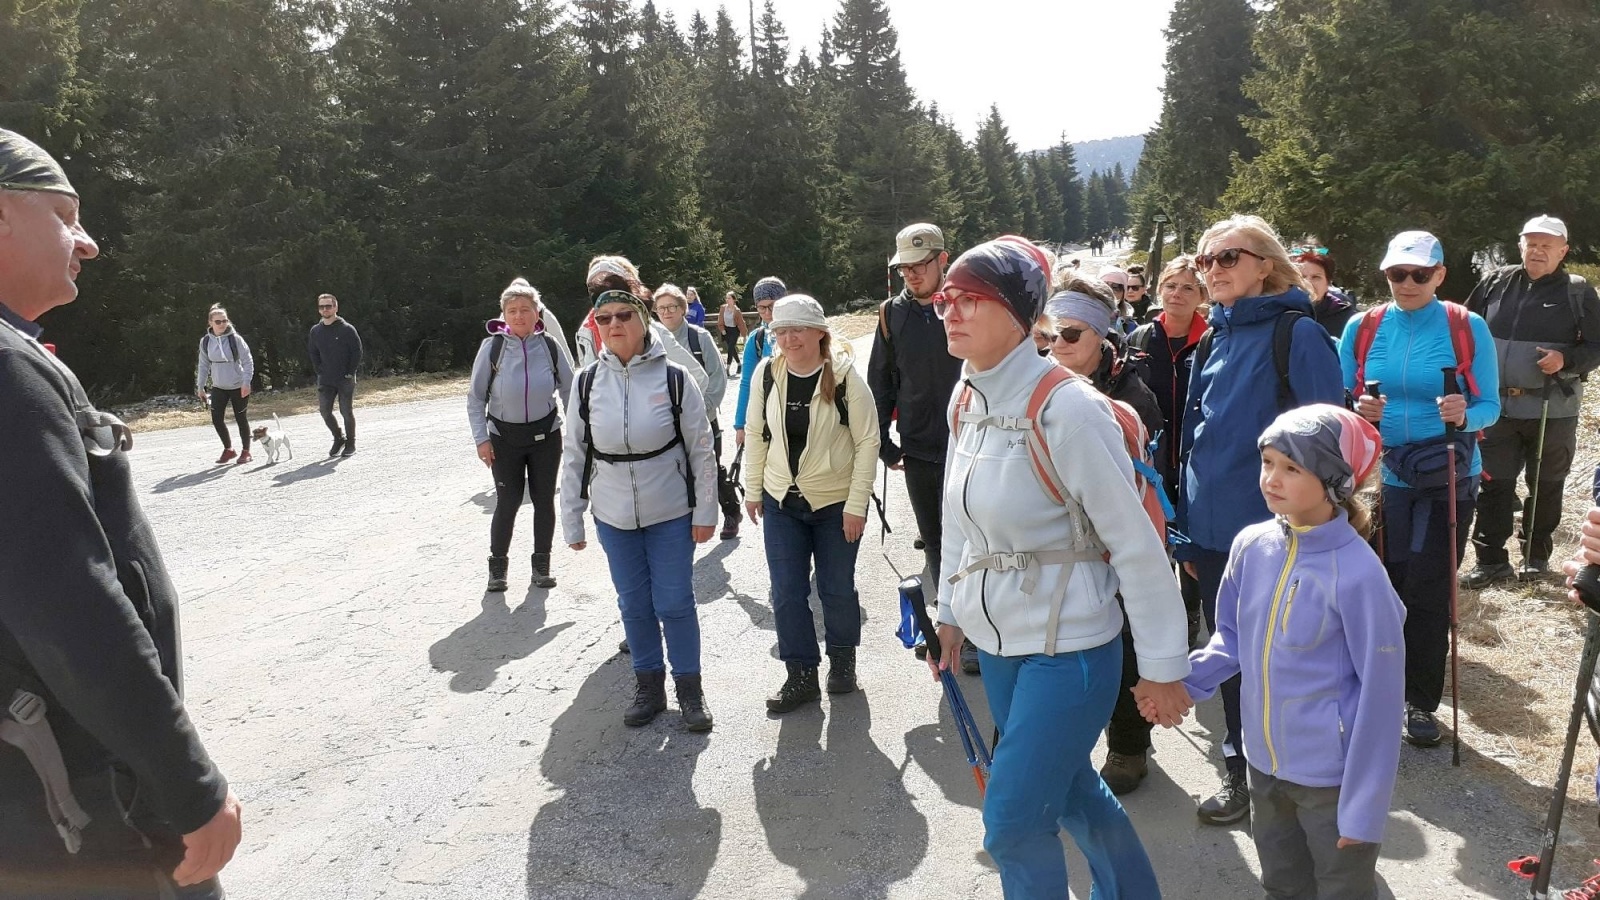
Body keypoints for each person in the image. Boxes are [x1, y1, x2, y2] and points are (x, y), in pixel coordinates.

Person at [0, 127, 242, 898]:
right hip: (83, 808)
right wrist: (187, 783)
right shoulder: (7, 371)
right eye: (65, 214)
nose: (89, 241)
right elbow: (69, 601)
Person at [929, 236, 1191, 898]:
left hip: (1070, 653)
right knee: (1072, 790)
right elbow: (959, 516)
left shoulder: (1069, 409)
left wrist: (1163, 668)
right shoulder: (966, 398)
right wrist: (951, 613)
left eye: (970, 299)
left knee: (1012, 822)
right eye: (944, 300)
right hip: (1000, 647)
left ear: (1021, 314)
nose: (951, 311)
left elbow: (1136, 546)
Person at [1174, 404, 1404, 900]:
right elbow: (1230, 639)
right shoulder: (1250, 545)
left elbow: (1382, 700)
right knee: (1281, 883)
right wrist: (1184, 684)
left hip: (1331, 780)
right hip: (1263, 766)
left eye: (1292, 468)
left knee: (1343, 888)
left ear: (1335, 482)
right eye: (1268, 462)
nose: (1271, 479)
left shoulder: (1360, 575)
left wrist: (1364, 808)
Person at [1179, 214, 1346, 825]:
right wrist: (1184, 529)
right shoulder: (1211, 338)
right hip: (1212, 534)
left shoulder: (1296, 335)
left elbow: (1329, 438)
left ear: (1265, 265)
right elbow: (1192, 442)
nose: (1212, 270)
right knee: (1229, 656)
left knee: (1285, 658)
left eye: (1227, 258)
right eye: (1204, 261)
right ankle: (1242, 772)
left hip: (1279, 537)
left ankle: (1297, 781)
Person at [1342, 230, 1500, 748]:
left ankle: (1420, 702)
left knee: (1429, 587)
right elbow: (1340, 398)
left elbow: (1491, 406)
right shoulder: (1362, 328)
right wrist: (1357, 410)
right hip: (1385, 475)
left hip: (1449, 476)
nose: (1406, 283)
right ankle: (1379, 684)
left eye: (1419, 274)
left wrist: (1465, 411)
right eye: (1396, 274)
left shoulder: (1465, 326)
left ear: (1440, 274)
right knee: (1385, 582)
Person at [560, 257, 718, 731]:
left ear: (642, 318)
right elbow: (574, 452)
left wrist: (706, 510)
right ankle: (648, 686)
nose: (613, 325)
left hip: (670, 508)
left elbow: (701, 450)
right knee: (634, 604)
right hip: (612, 513)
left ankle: (690, 690)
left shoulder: (674, 376)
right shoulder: (587, 382)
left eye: (623, 316)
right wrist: (572, 518)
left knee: (674, 602)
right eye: (603, 318)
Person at [1041, 276, 1169, 798]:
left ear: (1101, 335)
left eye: (1070, 335)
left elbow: (1143, 487)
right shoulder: (1032, 386)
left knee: (1126, 640)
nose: (1056, 346)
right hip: (1052, 546)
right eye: (1045, 334)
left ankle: (1129, 744)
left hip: (1115, 541)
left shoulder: (1133, 395)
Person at [745, 295, 880, 712]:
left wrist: (857, 505)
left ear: (820, 332)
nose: (788, 339)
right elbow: (755, 432)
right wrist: (753, 489)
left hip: (836, 504)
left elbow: (867, 441)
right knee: (786, 592)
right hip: (782, 500)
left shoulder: (844, 379)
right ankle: (800, 674)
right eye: (780, 331)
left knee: (836, 588)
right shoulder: (768, 373)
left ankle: (842, 661)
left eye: (797, 329)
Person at [1463, 215, 1600, 586]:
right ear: (1520, 245)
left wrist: (1565, 360)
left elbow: (1595, 347)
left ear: (1563, 251)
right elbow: (1464, 328)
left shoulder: (1577, 290)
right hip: (1496, 407)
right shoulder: (1494, 282)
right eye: (1531, 243)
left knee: (1546, 483)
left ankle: (1534, 557)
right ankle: (1490, 561)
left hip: (1552, 407)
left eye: (1547, 245)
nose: (1538, 250)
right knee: (1493, 482)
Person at [867, 223, 968, 665]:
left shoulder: (966, 306)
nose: (911, 274)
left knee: (976, 542)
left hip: (972, 446)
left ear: (943, 259)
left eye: (920, 265)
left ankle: (980, 638)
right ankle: (950, 629)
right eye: (904, 267)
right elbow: (881, 382)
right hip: (920, 450)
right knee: (935, 541)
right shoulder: (892, 314)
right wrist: (885, 446)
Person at [468, 278, 574, 593]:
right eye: (512, 311)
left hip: (546, 435)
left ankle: (541, 567)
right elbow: (475, 399)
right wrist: (481, 439)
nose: (518, 316)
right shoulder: (493, 348)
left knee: (544, 501)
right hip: (503, 437)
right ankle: (497, 569)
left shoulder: (551, 347)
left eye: (525, 310)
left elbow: (569, 391)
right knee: (508, 501)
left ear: (536, 313)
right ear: (503, 315)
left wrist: (578, 434)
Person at [654, 283, 743, 540]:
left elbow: (717, 377)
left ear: (683, 308)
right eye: (661, 308)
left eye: (672, 307)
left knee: (710, 468)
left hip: (704, 418)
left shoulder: (698, 337)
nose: (667, 312)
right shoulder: (652, 340)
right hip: (669, 422)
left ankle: (730, 511)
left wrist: (702, 408)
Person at [195, 303, 255, 465]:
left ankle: (246, 451)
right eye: (218, 322)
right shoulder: (206, 342)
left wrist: (246, 382)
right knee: (216, 418)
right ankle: (228, 449)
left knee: (240, 418)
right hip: (219, 386)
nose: (222, 324)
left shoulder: (236, 339)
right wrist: (200, 386)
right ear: (210, 323)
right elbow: (203, 364)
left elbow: (248, 361)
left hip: (238, 384)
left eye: (225, 321)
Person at [308, 292, 362, 457]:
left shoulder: (347, 329)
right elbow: (313, 353)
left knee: (346, 411)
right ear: (319, 310)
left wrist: (350, 373)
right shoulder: (315, 331)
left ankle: (351, 444)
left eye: (328, 306)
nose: (325, 309)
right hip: (326, 379)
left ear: (335, 307)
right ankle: (338, 438)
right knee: (325, 411)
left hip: (345, 379)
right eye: (322, 306)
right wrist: (319, 371)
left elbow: (357, 352)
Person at [733, 276, 786, 446]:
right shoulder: (757, 339)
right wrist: (740, 425)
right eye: (762, 308)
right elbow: (747, 382)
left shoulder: (801, 331)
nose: (768, 313)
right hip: (769, 418)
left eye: (773, 306)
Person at [1292, 247, 1358, 340]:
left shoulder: (1346, 318)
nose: (1308, 283)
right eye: (1302, 277)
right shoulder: (1281, 313)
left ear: (1328, 283)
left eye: (1316, 277)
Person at [718, 291, 747, 373]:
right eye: (726, 298)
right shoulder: (723, 308)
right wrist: (722, 329)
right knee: (732, 349)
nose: (727, 300)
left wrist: (744, 335)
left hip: (734, 330)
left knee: (730, 348)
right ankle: (739, 364)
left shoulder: (737, 311)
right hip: (726, 330)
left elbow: (741, 323)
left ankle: (727, 368)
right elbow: (720, 320)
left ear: (734, 300)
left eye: (729, 298)